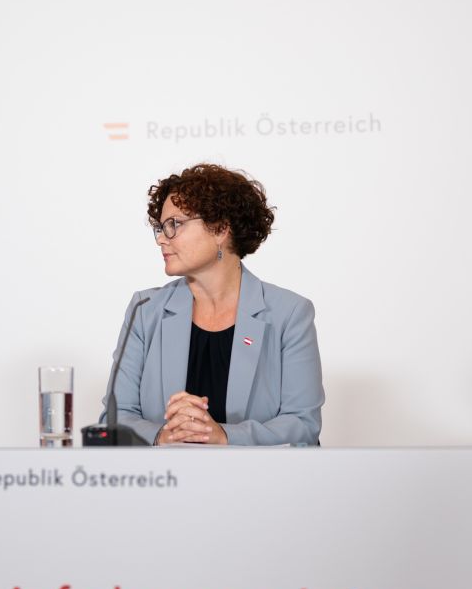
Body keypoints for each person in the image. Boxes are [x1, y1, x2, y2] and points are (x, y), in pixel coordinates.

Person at [106, 163, 323, 446]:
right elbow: (114, 417)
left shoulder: (290, 313)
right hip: (166, 482)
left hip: (257, 485)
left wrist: (223, 435)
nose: (161, 238)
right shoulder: (145, 310)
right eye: (160, 227)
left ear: (220, 228)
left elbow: (303, 424)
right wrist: (161, 435)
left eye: (175, 224)